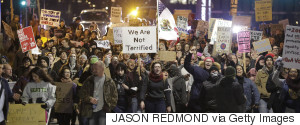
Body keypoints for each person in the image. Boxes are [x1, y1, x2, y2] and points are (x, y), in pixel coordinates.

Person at [79, 59, 117, 125]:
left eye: (96, 69)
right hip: (90, 110)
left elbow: (115, 97)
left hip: (104, 111)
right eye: (93, 69)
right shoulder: (89, 80)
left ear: (102, 68)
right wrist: (89, 99)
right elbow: (82, 94)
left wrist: (108, 106)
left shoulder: (110, 82)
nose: (93, 70)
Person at [184, 46, 209, 112]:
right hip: (196, 100)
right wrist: (190, 54)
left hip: (207, 102)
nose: (208, 63)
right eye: (207, 61)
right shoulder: (197, 70)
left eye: (210, 62)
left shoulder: (215, 73)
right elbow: (187, 65)